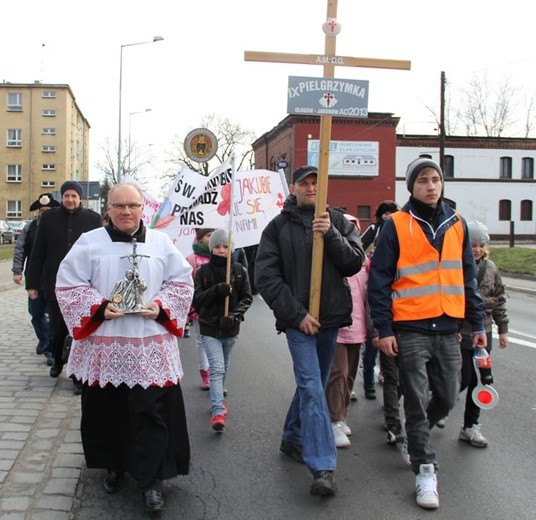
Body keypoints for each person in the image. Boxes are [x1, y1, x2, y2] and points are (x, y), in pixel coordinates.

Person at [55, 182, 193, 514]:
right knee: (107, 409)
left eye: (132, 205)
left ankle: (152, 480)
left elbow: (182, 281)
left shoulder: (161, 243)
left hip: (149, 346)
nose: (126, 212)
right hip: (106, 344)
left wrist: (161, 306)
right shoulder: (90, 243)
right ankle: (114, 465)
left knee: (151, 411)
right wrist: (99, 307)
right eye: (119, 206)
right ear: (108, 209)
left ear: (143, 208)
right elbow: (68, 283)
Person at [368, 158, 486, 510]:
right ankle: (425, 470)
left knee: (448, 396)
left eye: (436, 180)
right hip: (411, 328)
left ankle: (413, 437)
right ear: (411, 186)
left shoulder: (457, 224)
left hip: (450, 327)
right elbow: (379, 281)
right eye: (423, 181)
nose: (431, 186)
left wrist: (477, 323)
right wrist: (383, 329)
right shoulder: (397, 225)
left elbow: (468, 278)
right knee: (417, 402)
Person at [255, 165, 365, 496]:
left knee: (312, 382)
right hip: (298, 322)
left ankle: (292, 437)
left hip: (329, 319)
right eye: (306, 183)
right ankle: (321, 465)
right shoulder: (277, 228)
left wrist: (330, 234)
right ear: (294, 187)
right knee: (312, 386)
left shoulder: (340, 222)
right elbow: (266, 277)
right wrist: (297, 314)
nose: (312, 188)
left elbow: (353, 263)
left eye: (318, 183)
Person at [25, 181, 102, 393]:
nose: (70, 199)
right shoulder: (49, 218)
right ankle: (59, 361)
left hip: (84, 285)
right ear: (62, 197)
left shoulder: (92, 219)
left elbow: (100, 253)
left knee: (79, 328)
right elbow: (38, 252)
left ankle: (78, 374)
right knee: (58, 327)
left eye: (74, 196)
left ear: (80, 198)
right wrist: (32, 284)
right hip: (55, 284)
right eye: (67, 195)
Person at [439, 220, 509, 447]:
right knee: (462, 377)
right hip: (460, 334)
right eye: (472, 245)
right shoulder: (454, 267)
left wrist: (503, 330)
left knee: (481, 382)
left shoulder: (491, 269)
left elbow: (498, 299)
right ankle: (440, 405)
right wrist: (453, 328)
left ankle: (470, 426)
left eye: (480, 245)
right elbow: (447, 299)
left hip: (483, 335)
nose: (477, 249)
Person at [193, 229, 252, 432]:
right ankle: (217, 410)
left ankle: (219, 400)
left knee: (224, 365)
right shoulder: (203, 272)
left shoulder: (239, 270)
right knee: (216, 368)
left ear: (231, 249)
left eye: (225, 247)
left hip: (231, 329)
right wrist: (216, 290)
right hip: (209, 328)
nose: (220, 250)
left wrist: (234, 316)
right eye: (217, 246)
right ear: (211, 249)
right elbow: (197, 299)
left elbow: (247, 298)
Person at [325, 214, 367, 448]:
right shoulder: (334, 258)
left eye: (355, 228)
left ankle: (342, 415)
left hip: (358, 328)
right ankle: (334, 419)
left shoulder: (363, 263)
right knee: (338, 373)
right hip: (338, 326)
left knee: (350, 374)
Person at [12, 193, 60, 363]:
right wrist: (17, 271)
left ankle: (50, 350)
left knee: (53, 315)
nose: (45, 213)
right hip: (35, 278)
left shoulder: (58, 227)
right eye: (42, 210)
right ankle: (43, 338)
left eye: (48, 210)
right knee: (36, 314)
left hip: (54, 278)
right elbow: (20, 250)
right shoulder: (30, 228)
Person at [186, 228, 215, 390]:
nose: (212, 239)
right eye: (208, 236)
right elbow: (187, 285)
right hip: (200, 308)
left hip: (217, 308)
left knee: (217, 341)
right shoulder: (191, 259)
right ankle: (205, 374)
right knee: (202, 341)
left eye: (214, 235)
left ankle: (217, 374)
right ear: (200, 238)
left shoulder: (222, 255)